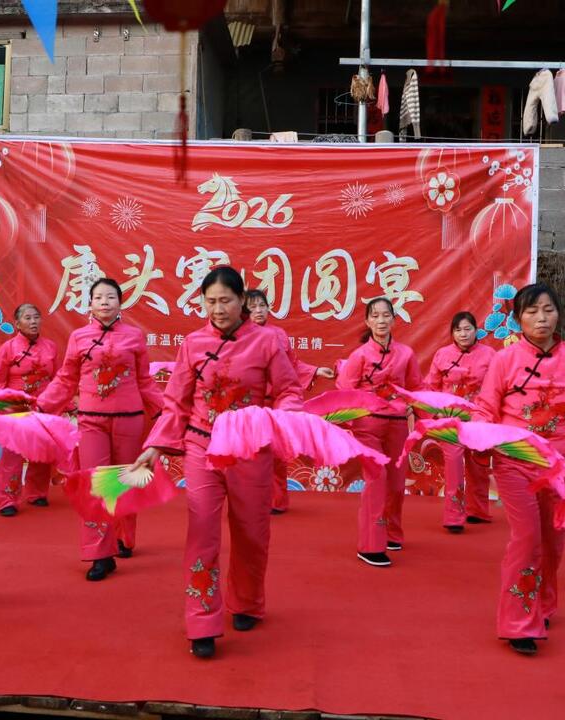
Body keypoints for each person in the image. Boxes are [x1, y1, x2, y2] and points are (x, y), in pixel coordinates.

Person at [130, 267, 303, 659]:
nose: (218, 309)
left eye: (226, 300)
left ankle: (246, 602)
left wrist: (286, 417)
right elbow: (176, 402)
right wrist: (155, 447)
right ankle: (202, 621)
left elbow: (288, 390)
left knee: (251, 531)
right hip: (201, 447)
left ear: (243, 301)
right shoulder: (192, 343)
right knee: (202, 532)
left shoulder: (267, 341)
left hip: (249, 449)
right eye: (211, 302)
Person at [475, 283, 565, 655]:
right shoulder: (504, 360)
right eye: (532, 311)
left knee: (553, 544)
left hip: (560, 467)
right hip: (515, 463)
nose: (541, 318)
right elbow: (486, 408)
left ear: (558, 314)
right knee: (527, 539)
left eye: (548, 310)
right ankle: (518, 622)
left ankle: (543, 604)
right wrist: (477, 437)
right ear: (518, 318)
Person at [37, 278, 162, 581]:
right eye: (98, 297)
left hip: (129, 418)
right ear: (90, 304)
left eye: (110, 297)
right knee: (97, 485)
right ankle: (99, 554)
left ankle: (124, 538)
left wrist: (166, 412)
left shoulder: (134, 336)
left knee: (124, 481)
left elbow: (145, 380)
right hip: (92, 419)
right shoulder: (79, 337)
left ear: (120, 303)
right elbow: (66, 379)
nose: (104, 302)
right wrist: (42, 405)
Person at [335, 297, 422, 567]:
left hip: (398, 424)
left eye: (386, 315)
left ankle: (392, 533)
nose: (381, 321)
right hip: (368, 426)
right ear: (367, 321)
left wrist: (428, 418)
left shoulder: (406, 354)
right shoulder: (359, 356)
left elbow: (416, 388)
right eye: (375, 316)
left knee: (396, 481)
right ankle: (370, 545)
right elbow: (344, 390)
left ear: (394, 319)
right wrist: (351, 420)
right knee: (377, 478)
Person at [245, 288, 335, 515]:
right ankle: (249, 500)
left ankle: (277, 501)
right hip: (249, 403)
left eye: (262, 306)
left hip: (276, 402)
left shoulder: (279, 334)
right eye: (252, 307)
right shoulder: (239, 336)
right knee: (249, 453)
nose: (258, 311)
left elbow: (292, 365)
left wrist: (315, 370)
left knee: (276, 453)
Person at [423, 311, 497, 532]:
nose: (463, 334)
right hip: (450, 420)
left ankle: (478, 510)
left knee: (478, 466)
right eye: (458, 330)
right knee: (454, 466)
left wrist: (491, 416)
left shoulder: (490, 355)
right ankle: (454, 516)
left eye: (467, 329)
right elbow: (431, 386)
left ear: (476, 331)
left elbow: (496, 387)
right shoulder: (442, 355)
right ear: (452, 333)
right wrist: (435, 414)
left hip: (479, 419)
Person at [0, 303, 58, 517]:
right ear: (17, 323)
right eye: (27, 318)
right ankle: (7, 500)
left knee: (42, 452)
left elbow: (58, 378)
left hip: (43, 405)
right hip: (15, 408)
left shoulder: (51, 347)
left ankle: (37, 493)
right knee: (12, 456)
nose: (33, 321)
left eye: (36, 317)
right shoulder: (8, 348)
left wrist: (67, 403)